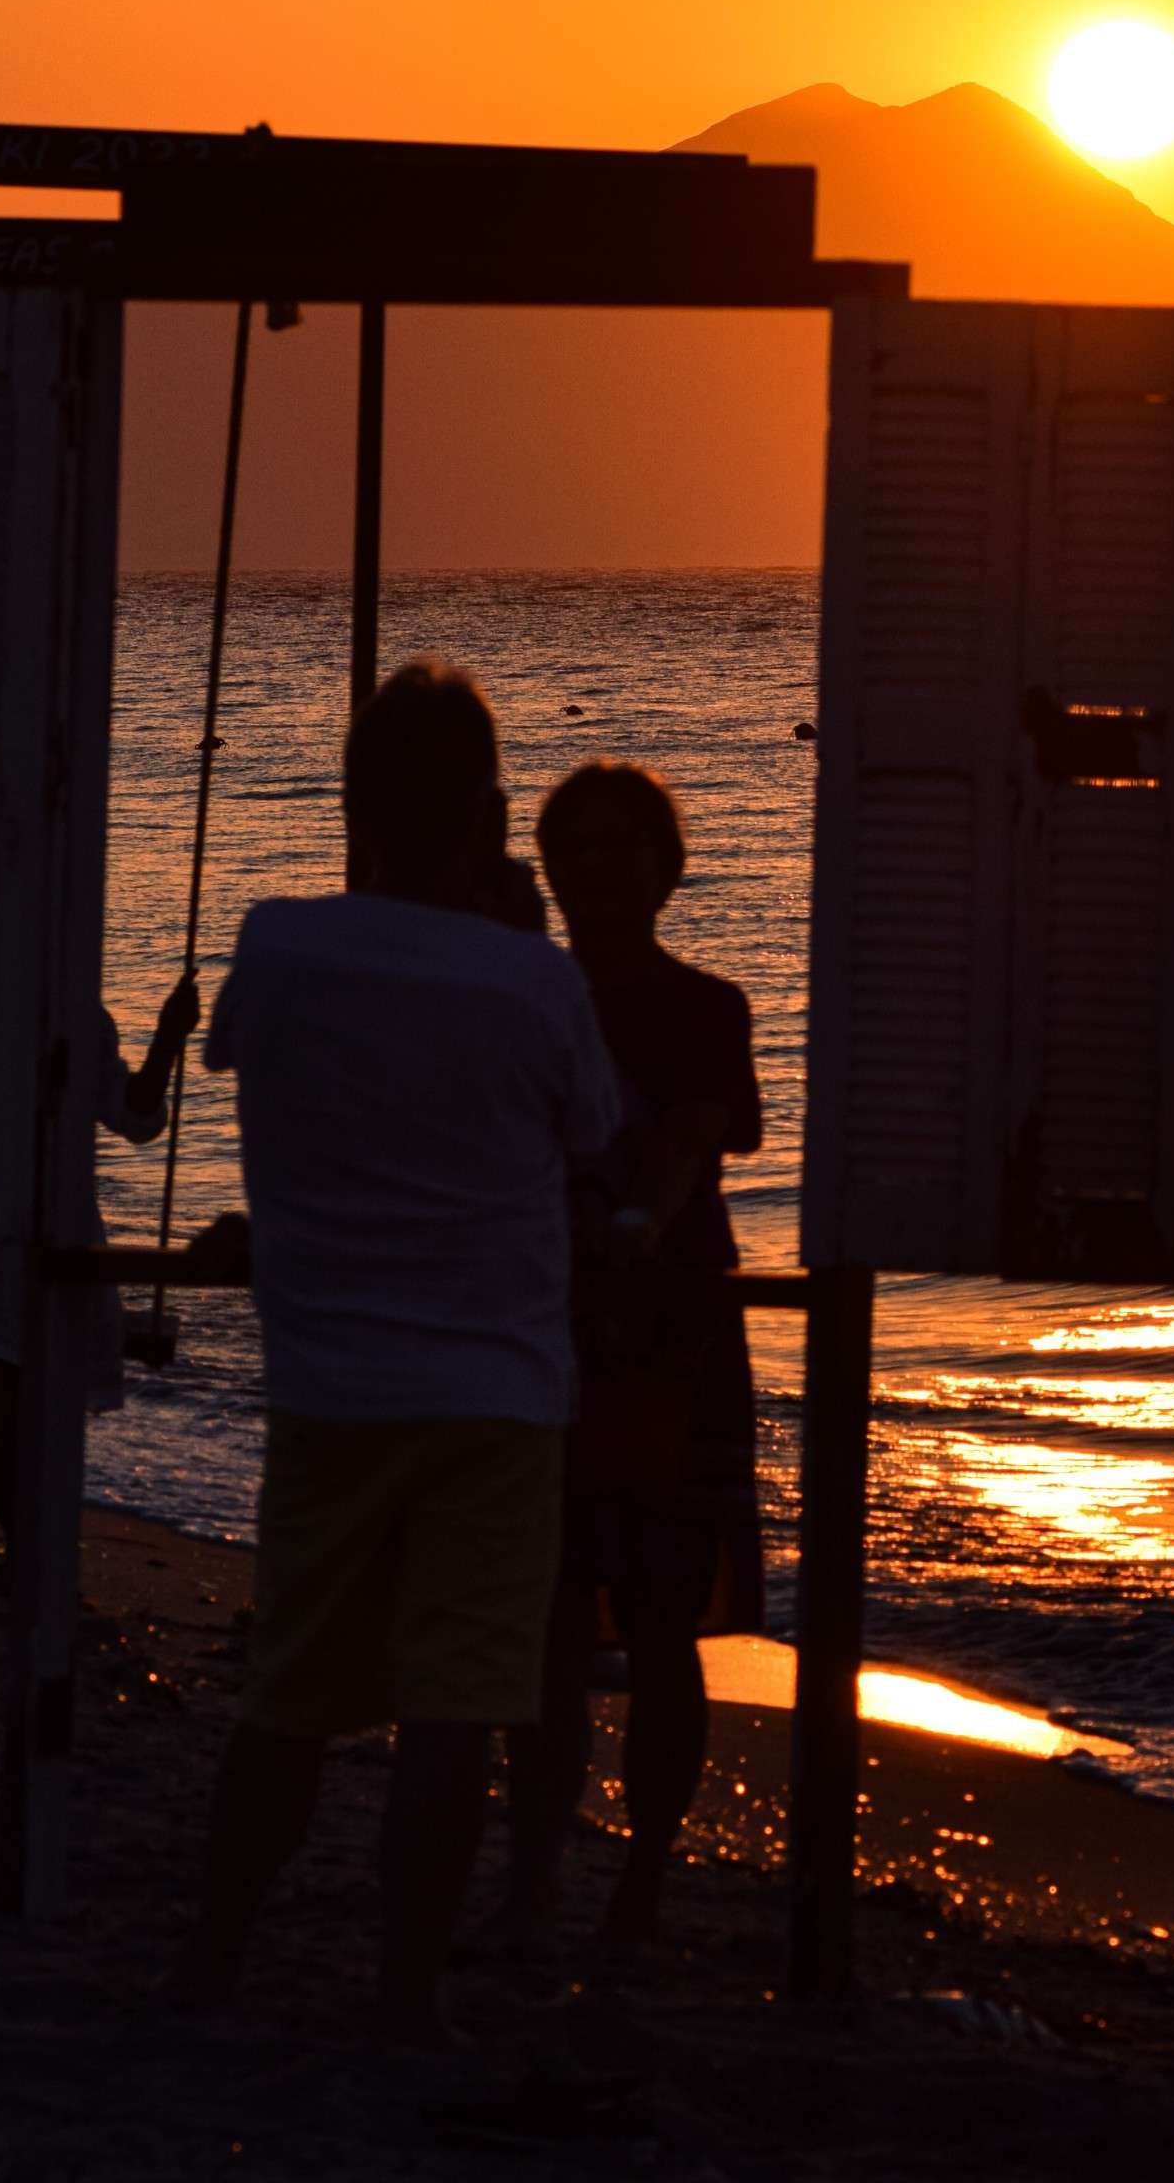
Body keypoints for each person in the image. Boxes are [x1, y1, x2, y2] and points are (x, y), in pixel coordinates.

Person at [176, 664, 623, 2041]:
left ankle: (215, 1960)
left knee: (292, 1697)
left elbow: (229, 1059)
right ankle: (403, 1997)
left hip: (330, 1385)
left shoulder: (278, 946)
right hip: (495, 1394)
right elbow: (598, 1148)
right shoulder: (536, 987)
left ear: (356, 809)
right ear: (488, 819)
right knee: (455, 1713)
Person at [500, 762, 764, 1955]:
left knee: (662, 1620)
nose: (597, 870)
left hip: (671, 1338)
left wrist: (631, 1226)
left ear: (667, 866)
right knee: (544, 1615)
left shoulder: (706, 1006)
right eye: (576, 848)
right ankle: (534, 1874)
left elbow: (693, 1142)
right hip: (538, 1330)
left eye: (621, 848)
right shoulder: (517, 993)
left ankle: (643, 1878)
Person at [0, 975, 200, 1554]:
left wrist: (167, 1036)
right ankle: (30, 1547)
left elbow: (135, 1116)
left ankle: (35, 1552)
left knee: (38, 1398)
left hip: (57, 1223)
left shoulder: (77, 1016)